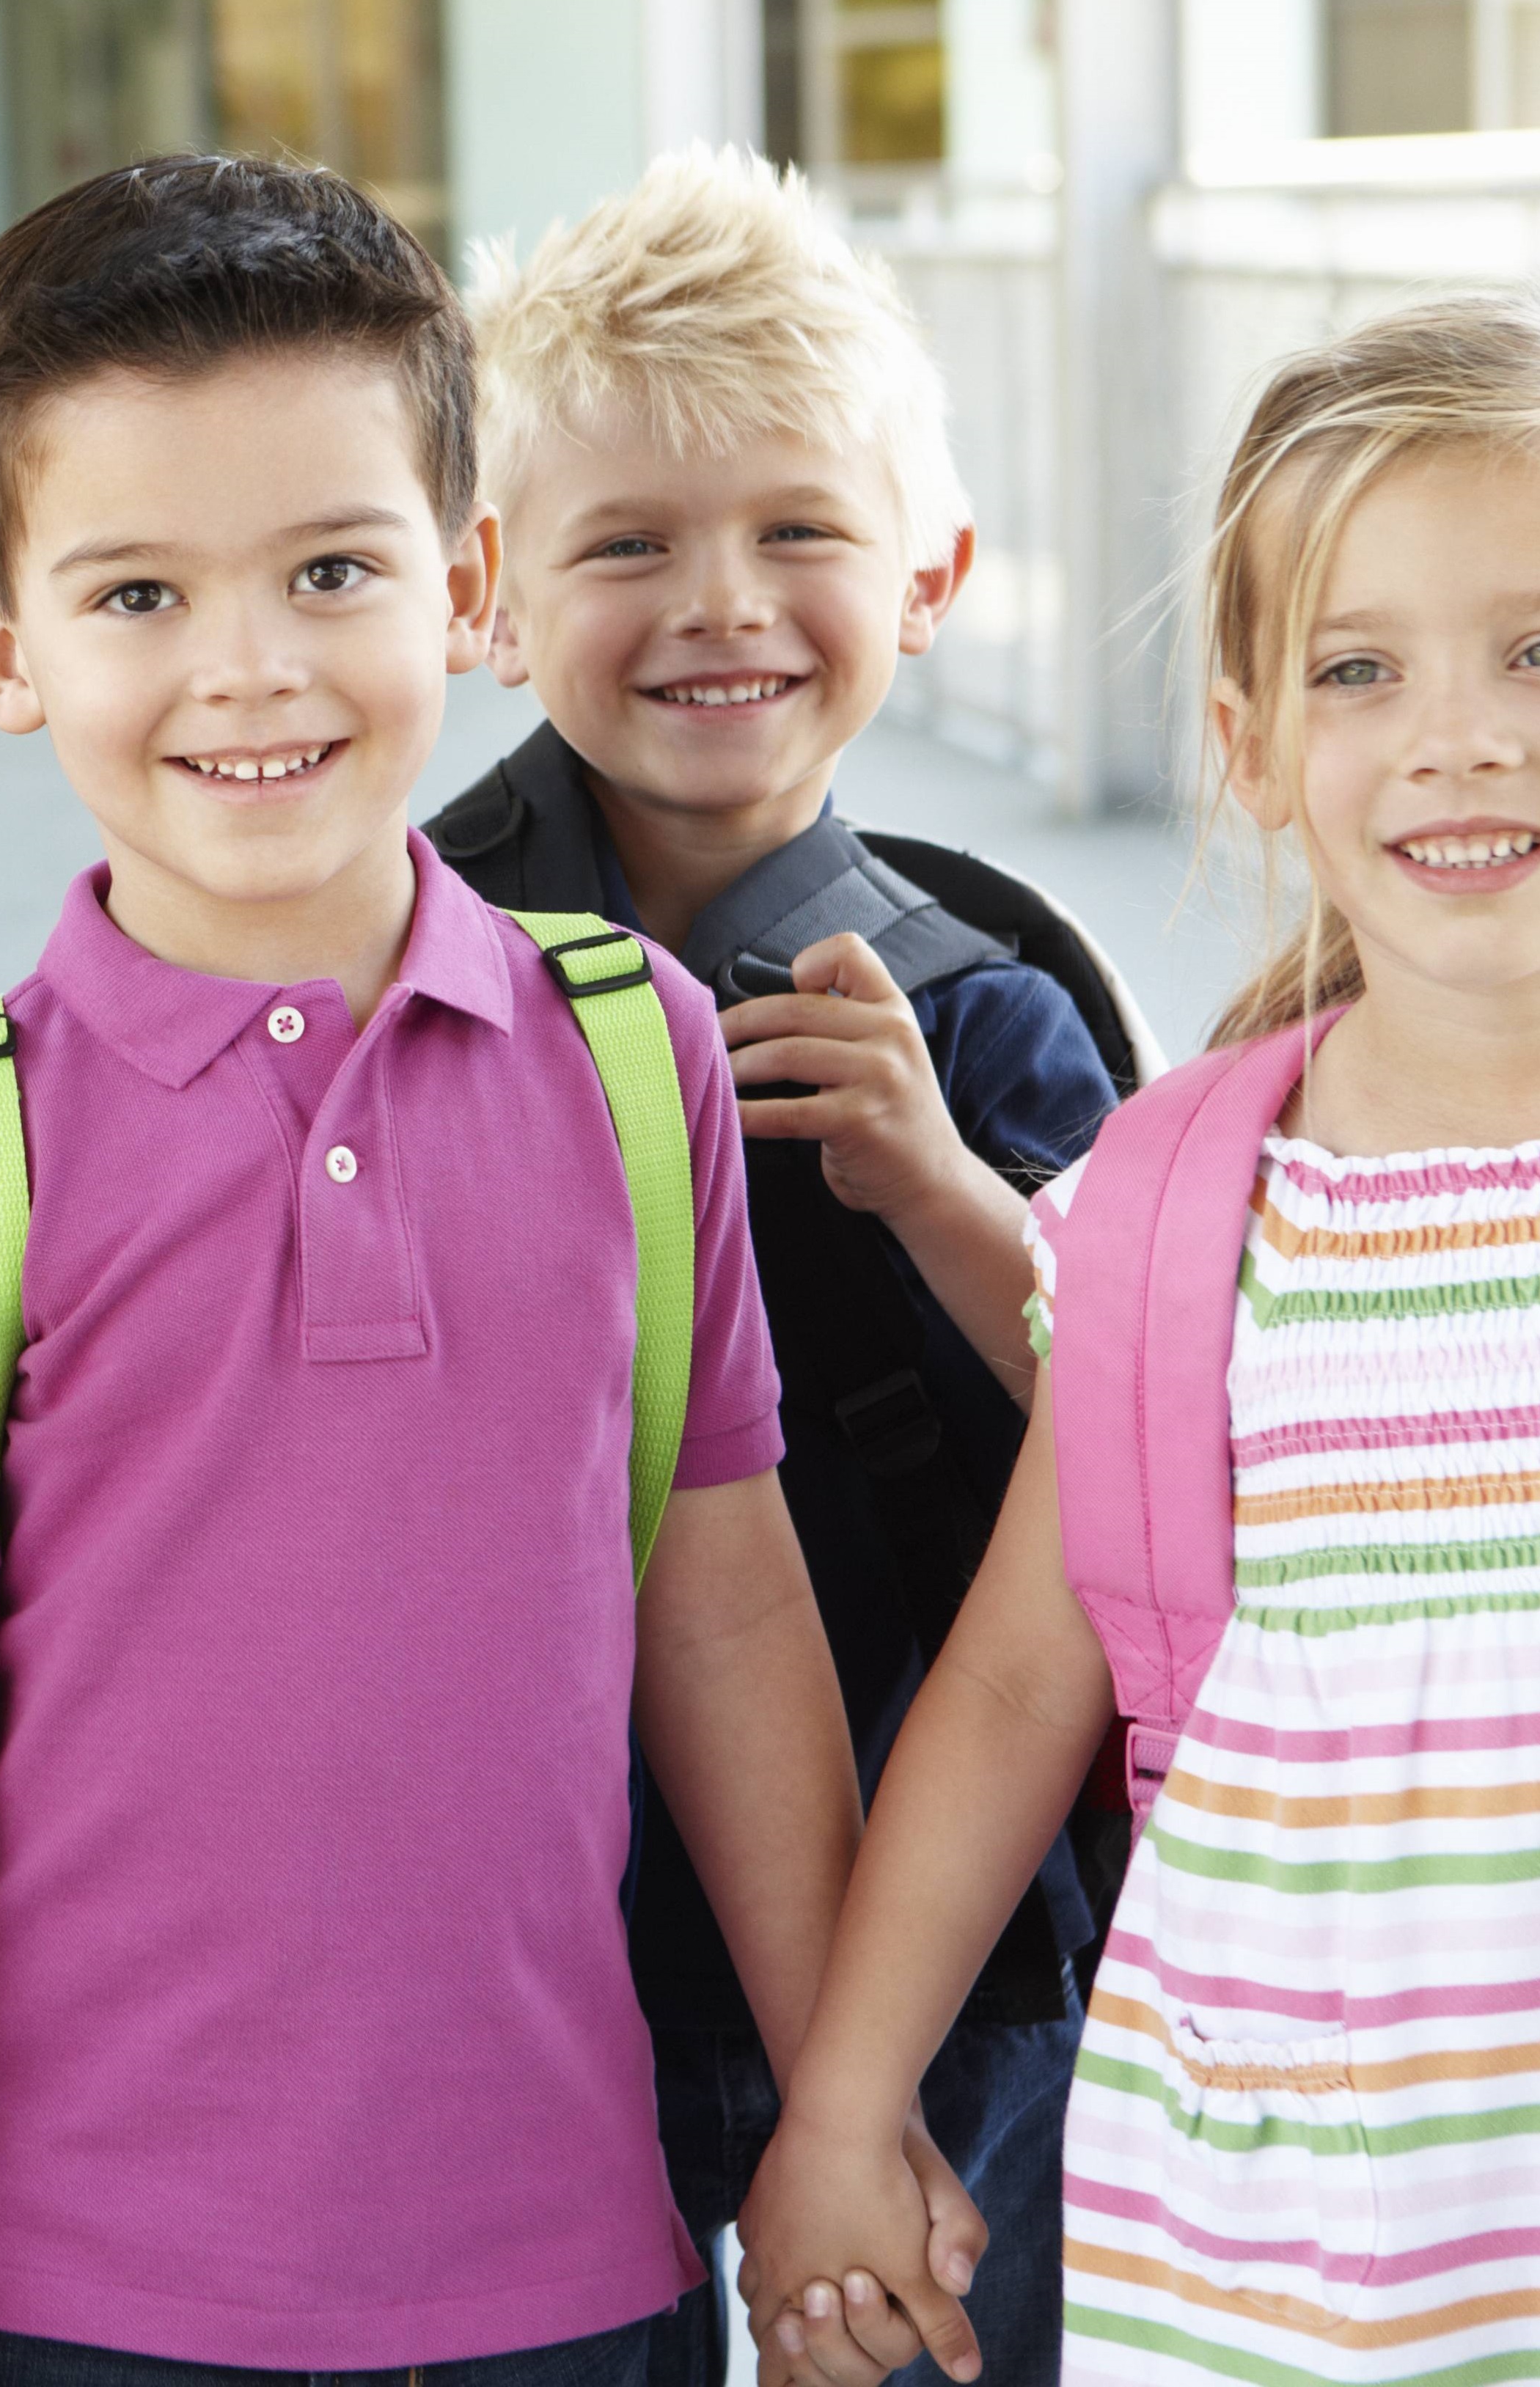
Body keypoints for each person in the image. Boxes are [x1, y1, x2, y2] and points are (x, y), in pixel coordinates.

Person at [0, 155, 973, 2387]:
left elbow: (725, 1600)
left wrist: (839, 2108)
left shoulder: (633, 1058)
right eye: (137, 596)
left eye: (332, 568)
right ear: (0, 651)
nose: (253, 669)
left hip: (575, 2271)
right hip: (64, 2294)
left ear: (466, 586)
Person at [735, 294, 1540, 2387]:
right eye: (1358, 668)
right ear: (1253, 745)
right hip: (1293, 2258)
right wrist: (844, 2112)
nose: (1456, 733)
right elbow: (1021, 1681)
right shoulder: (1179, 1210)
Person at [427, 147, 1128, 2387]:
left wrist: (940, 1182)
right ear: (489, 595)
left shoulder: (989, 994)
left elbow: (1141, 1421)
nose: (720, 603)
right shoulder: (402, 964)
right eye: (626, 544)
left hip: (950, 1921)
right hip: (544, 1925)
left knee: (926, 2338)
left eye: (796, 532)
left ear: (929, 576)